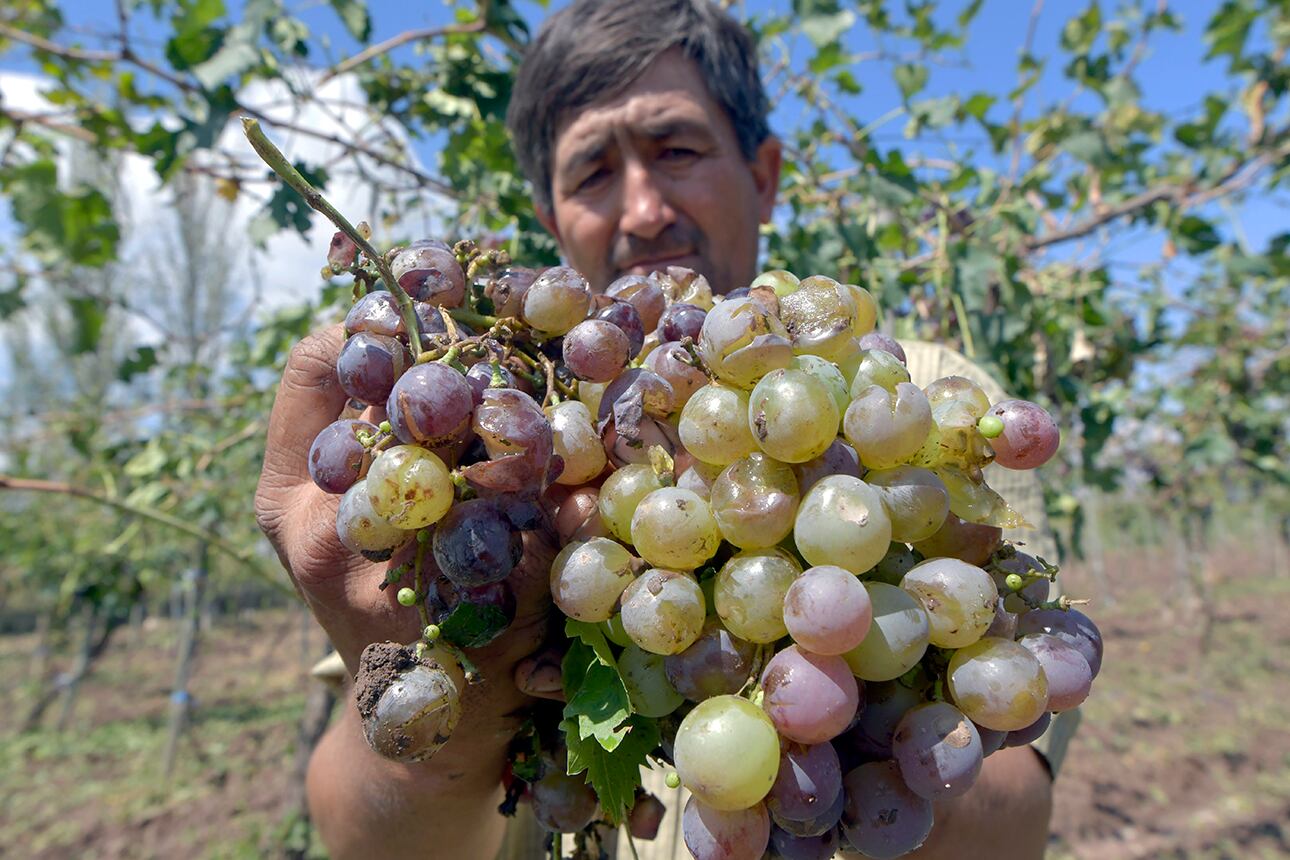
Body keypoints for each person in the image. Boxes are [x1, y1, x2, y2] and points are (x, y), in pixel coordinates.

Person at [255, 2, 1066, 857]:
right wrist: (448, 712)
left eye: (677, 150)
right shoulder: (490, 447)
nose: (643, 208)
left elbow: (1006, 800)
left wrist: (838, 704)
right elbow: (358, 839)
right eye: (593, 173)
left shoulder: (926, 402)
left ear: (763, 173)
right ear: (551, 214)